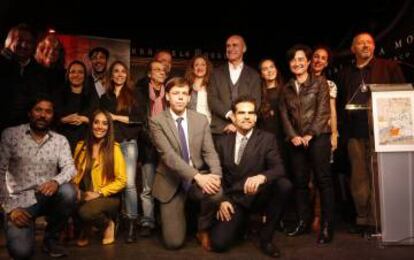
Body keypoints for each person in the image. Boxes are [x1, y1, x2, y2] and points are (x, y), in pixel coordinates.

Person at [338, 32, 406, 234]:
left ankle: (384, 220)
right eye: (360, 43)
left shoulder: (389, 67)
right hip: (354, 133)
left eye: (369, 42)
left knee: (381, 176)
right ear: (353, 49)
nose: (365, 46)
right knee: (360, 178)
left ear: (374, 47)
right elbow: (341, 104)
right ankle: (364, 220)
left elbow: (402, 96)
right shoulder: (344, 73)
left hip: (384, 133)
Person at [210, 96, 292, 258]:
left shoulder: (267, 139)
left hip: (259, 196)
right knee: (219, 243)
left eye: (250, 113)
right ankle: (242, 224)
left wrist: (261, 177)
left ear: (255, 117)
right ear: (233, 117)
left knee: (284, 185)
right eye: (241, 113)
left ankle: (266, 238)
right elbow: (214, 174)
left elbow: (279, 168)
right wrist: (221, 199)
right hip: (235, 199)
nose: (247, 117)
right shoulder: (221, 141)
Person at [149, 77, 222, 250]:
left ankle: (202, 229)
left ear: (189, 97)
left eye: (184, 93)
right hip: (171, 181)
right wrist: (197, 176)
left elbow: (209, 151)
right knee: (174, 243)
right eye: (175, 93)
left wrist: (216, 176)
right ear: (167, 96)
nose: (180, 97)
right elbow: (168, 157)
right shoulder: (157, 122)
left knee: (216, 193)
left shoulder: (201, 119)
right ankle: (171, 218)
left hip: (196, 179)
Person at [0, 95, 77, 259]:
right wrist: (10, 208)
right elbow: (0, 172)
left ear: (53, 116)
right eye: (38, 110)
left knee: (68, 191)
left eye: (48, 111)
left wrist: (56, 181)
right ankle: (26, 230)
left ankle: (51, 241)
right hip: (19, 202)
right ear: (30, 112)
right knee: (21, 252)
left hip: (46, 196)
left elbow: (70, 168)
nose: (43, 115)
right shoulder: (11, 135)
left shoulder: (60, 140)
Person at [279, 44, 334, 244]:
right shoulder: (285, 88)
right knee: (300, 183)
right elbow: (284, 116)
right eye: (293, 60)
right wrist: (293, 135)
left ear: (308, 62)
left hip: (318, 137)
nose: (297, 63)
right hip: (296, 141)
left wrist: (311, 133)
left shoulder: (320, 83)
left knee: (323, 181)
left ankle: (328, 226)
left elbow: (323, 111)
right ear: (289, 64)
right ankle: (303, 222)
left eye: (301, 59)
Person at [100, 60, 144, 243]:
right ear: (111, 75)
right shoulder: (105, 97)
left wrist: (115, 117)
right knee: (113, 183)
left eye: (123, 71)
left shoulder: (134, 94)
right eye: (116, 71)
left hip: (128, 144)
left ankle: (131, 224)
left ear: (127, 75)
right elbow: (101, 120)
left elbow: (139, 119)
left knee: (130, 184)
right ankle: (115, 222)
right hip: (110, 145)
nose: (119, 74)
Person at [72, 109, 126, 246]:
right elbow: (72, 173)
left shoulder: (114, 149)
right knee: (66, 200)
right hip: (84, 194)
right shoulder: (80, 146)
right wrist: (75, 188)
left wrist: (98, 193)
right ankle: (86, 227)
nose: (100, 127)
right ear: (91, 125)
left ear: (109, 128)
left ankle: (108, 224)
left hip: (107, 197)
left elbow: (122, 180)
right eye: (96, 122)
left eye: (104, 124)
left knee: (85, 211)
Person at [135, 60, 167, 237]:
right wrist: (154, 141)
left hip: (167, 148)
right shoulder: (141, 93)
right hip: (148, 146)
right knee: (147, 186)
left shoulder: (168, 94)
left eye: (163, 70)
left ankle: (163, 221)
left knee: (165, 185)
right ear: (149, 74)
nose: (161, 72)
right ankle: (147, 220)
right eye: (157, 70)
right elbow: (140, 122)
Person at [309, 46, 339, 232]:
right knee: (307, 179)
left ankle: (320, 218)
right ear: (310, 59)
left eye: (323, 58)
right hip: (304, 136)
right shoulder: (300, 81)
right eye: (316, 57)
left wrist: (334, 133)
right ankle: (308, 215)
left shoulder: (330, 84)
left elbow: (332, 111)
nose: (319, 60)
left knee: (322, 178)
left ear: (327, 63)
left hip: (322, 134)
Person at [208, 35, 261, 135]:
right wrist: (230, 114)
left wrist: (240, 121)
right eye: (228, 46)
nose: (230, 48)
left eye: (235, 45)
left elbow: (256, 102)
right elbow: (212, 99)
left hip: (246, 129)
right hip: (221, 129)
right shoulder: (216, 73)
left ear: (244, 48)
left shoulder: (254, 75)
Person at [0, 23, 47, 132]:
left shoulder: (41, 73)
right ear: (8, 42)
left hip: (28, 134)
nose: (24, 45)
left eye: (29, 42)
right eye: (19, 40)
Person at [54, 60, 98, 152]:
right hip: (62, 144)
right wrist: (65, 119)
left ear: (85, 75)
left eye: (80, 72)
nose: (76, 75)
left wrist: (84, 119)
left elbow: (99, 119)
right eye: (73, 72)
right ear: (68, 74)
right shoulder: (59, 94)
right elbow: (51, 120)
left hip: (86, 144)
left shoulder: (92, 95)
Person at [185, 54, 213, 123]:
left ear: (207, 68)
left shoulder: (212, 86)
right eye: (196, 65)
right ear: (192, 68)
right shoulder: (186, 86)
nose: (200, 67)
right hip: (190, 124)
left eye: (203, 65)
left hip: (208, 125)